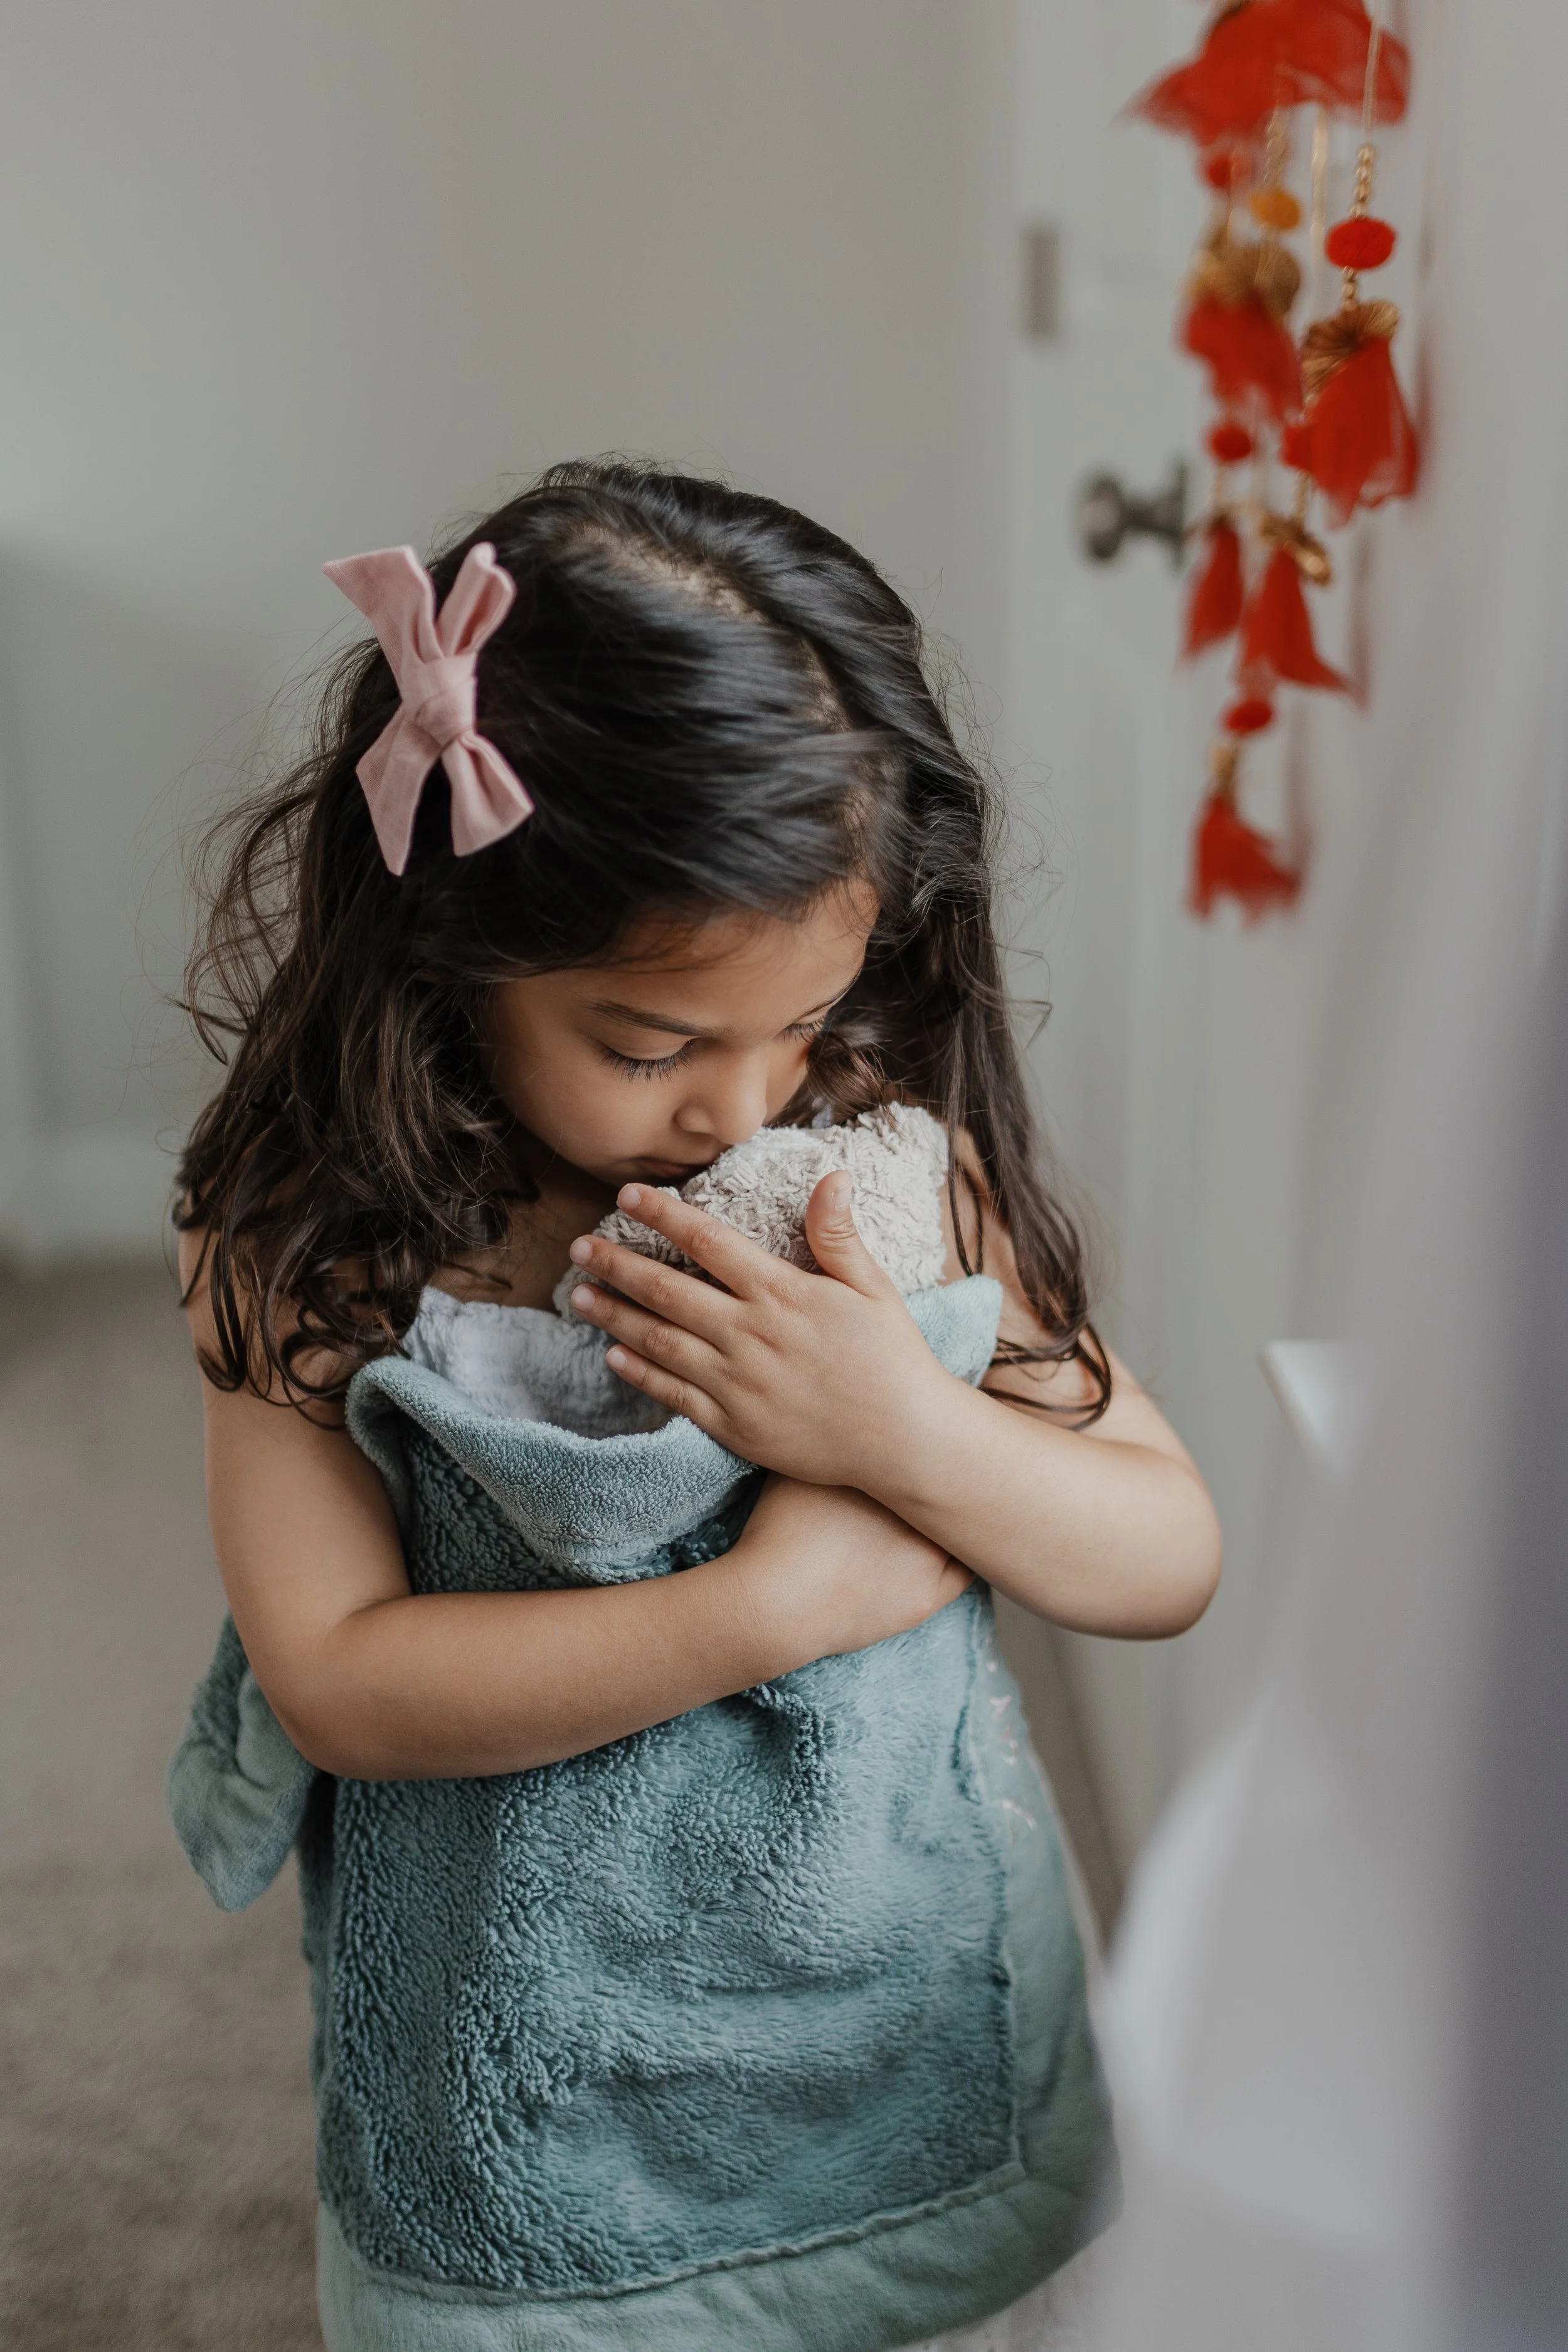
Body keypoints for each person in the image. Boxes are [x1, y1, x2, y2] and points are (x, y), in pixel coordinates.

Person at [173, 460, 1221, 2352]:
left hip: (894, 2019)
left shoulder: (875, 1176)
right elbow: (335, 1674)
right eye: (649, 1043)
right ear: (450, 949)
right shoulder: (308, 1234)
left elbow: (1163, 1548)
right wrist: (778, 1603)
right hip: (530, 2105)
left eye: (803, 1024)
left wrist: (901, 1429)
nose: (740, 1108)